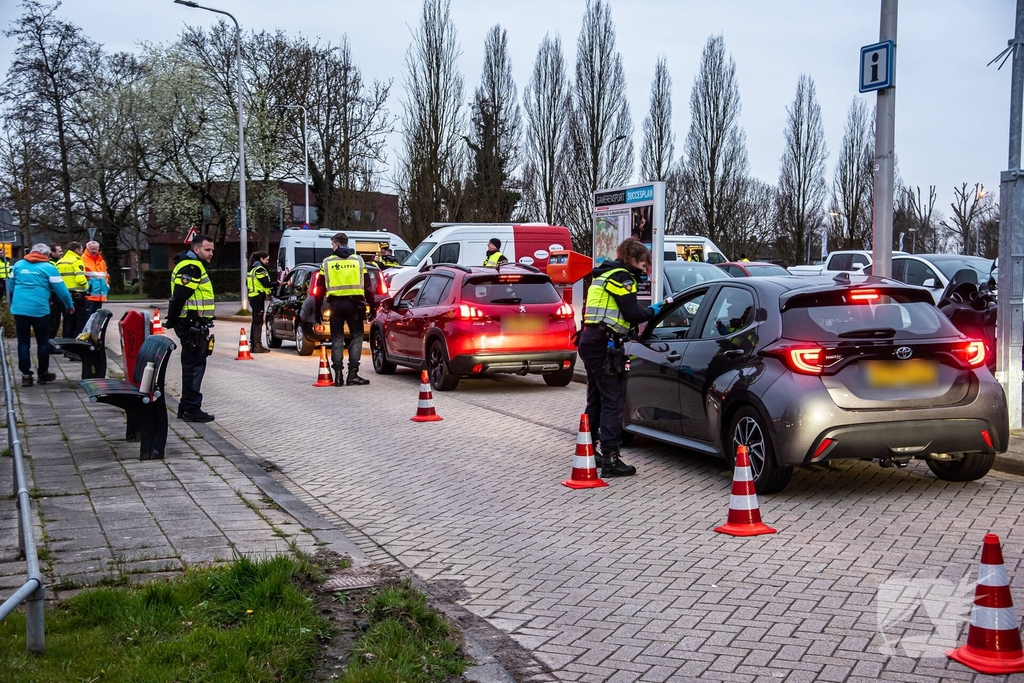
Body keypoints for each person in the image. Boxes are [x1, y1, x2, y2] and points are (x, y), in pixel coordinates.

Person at [578, 237, 664, 477]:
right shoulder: (621, 277)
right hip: (603, 345)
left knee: (596, 398)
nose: (646, 272)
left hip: (591, 341)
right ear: (633, 260)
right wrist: (653, 311)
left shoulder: (603, 274)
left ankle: (588, 449)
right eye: (645, 266)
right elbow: (632, 313)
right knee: (613, 401)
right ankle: (611, 458)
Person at [166, 234, 216, 423]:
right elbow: (179, 297)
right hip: (191, 325)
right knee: (194, 367)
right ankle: (192, 409)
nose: (211, 253)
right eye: (207, 250)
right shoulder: (192, 267)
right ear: (196, 249)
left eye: (212, 250)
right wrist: (172, 320)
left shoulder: (192, 265)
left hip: (192, 324)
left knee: (192, 366)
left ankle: (185, 407)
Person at [10, 244, 73, 387]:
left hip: (19, 309)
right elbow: (62, 291)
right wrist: (69, 305)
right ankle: (42, 374)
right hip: (39, 309)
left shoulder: (18, 265)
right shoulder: (49, 268)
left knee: (23, 342)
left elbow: (11, 286)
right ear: (46, 255)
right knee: (43, 342)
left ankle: (26, 374)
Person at [322, 232, 370, 386]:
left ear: (336, 244)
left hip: (335, 305)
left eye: (332, 244)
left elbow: (320, 286)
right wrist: (371, 307)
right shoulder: (359, 260)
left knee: (337, 339)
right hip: (354, 305)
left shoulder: (327, 262)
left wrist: (317, 309)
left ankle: (337, 376)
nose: (332, 247)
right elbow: (368, 285)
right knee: (356, 337)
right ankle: (353, 375)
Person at [56, 242, 89, 336]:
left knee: (68, 321)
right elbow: (80, 279)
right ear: (76, 250)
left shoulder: (60, 261)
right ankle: (77, 344)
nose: (82, 252)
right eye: (81, 250)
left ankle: (67, 342)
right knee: (80, 321)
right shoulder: (77, 260)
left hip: (64, 295)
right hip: (77, 295)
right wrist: (86, 286)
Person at [246, 250, 272, 354]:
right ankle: (257, 346)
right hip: (258, 297)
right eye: (266, 259)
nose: (267, 262)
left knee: (255, 321)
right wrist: (278, 283)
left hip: (253, 297)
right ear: (261, 259)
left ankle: (253, 345)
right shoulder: (259, 269)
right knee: (258, 322)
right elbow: (266, 283)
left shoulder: (252, 268)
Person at [82, 240, 109, 315]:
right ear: (87, 249)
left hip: (99, 295)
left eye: (96, 249)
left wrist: (106, 285)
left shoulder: (101, 261)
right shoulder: (82, 259)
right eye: (92, 249)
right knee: (88, 317)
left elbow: (105, 275)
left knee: (96, 318)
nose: (94, 251)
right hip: (89, 295)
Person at [48, 244, 64, 338]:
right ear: (52, 253)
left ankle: (51, 343)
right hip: (52, 295)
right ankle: (50, 345)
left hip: (56, 294)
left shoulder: (58, 263)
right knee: (53, 320)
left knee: (56, 320)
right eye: (59, 251)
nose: (61, 253)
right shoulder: (51, 264)